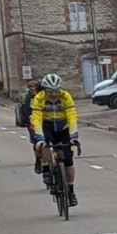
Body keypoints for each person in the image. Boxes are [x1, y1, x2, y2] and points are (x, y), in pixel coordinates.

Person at [30, 73, 80, 208]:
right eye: (50, 91)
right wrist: (39, 138)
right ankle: (46, 169)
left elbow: (72, 117)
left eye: (56, 91)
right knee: (45, 145)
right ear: (45, 90)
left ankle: (71, 191)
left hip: (63, 127)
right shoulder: (39, 98)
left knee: (68, 160)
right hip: (46, 126)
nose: (53, 94)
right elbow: (37, 119)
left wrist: (74, 136)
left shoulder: (66, 96)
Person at [15, 78, 41, 172]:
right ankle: (38, 160)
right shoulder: (28, 98)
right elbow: (25, 111)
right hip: (32, 121)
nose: (32, 90)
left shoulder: (41, 96)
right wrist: (27, 123)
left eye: (34, 88)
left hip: (43, 120)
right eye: (31, 89)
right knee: (36, 141)